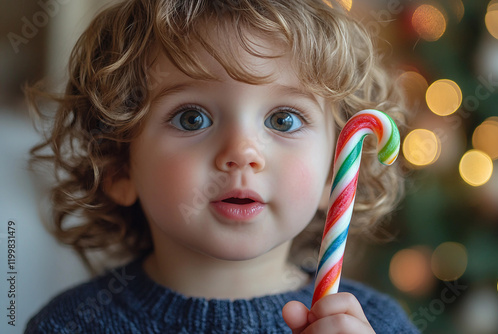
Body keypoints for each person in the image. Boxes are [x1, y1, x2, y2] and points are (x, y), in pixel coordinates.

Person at [25, 0, 419, 333]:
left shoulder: (375, 324)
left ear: (334, 172)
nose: (244, 152)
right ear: (117, 165)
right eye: (191, 118)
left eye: (283, 120)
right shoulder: (71, 324)